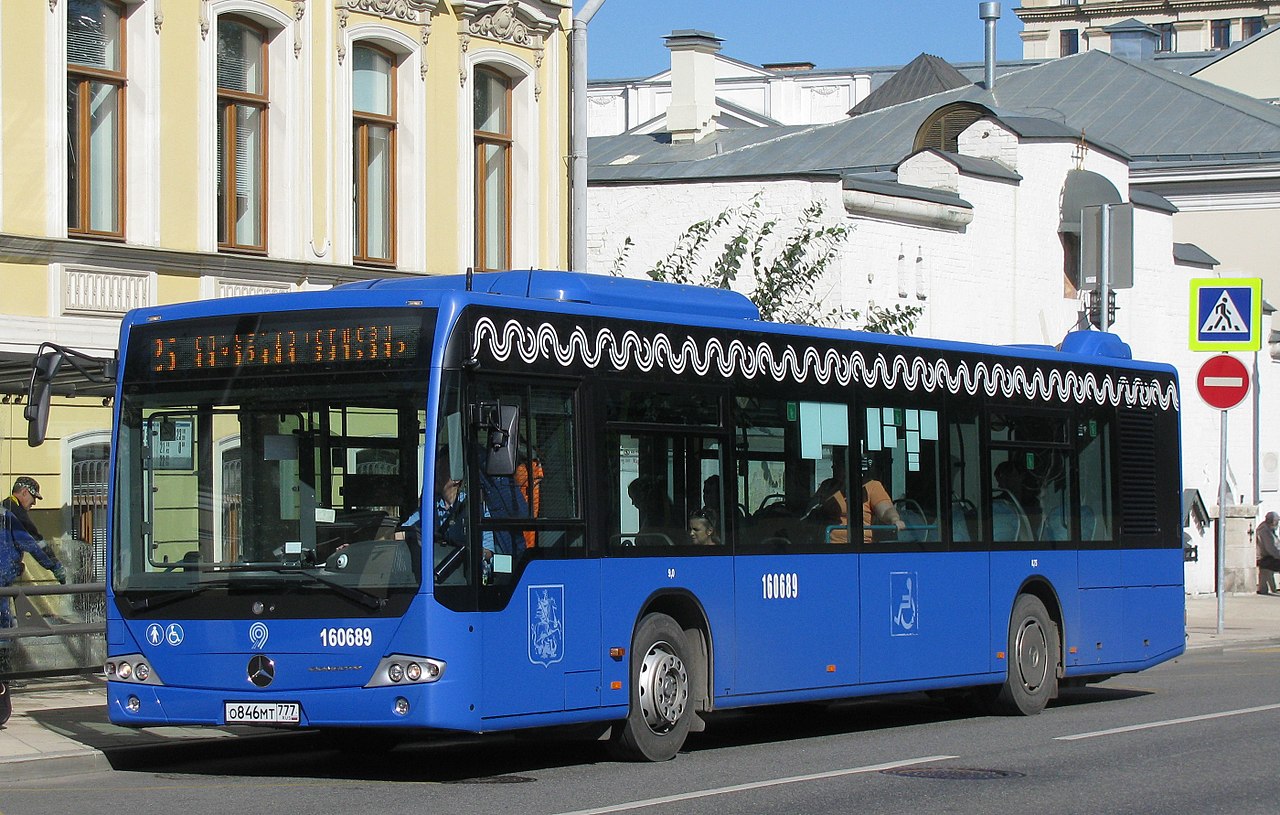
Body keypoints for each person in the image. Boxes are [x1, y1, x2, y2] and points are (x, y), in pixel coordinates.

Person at [3, 477, 44, 542]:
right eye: (34, 497)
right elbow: (34, 538)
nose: (34, 503)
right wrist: (47, 551)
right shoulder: (16, 511)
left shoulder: (5, 505)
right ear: (24, 492)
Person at [1256, 511, 1280, 594]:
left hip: (1269, 557)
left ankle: (1273, 588)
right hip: (1265, 559)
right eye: (1277, 521)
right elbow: (1271, 549)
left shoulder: (1268, 529)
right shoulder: (1264, 531)